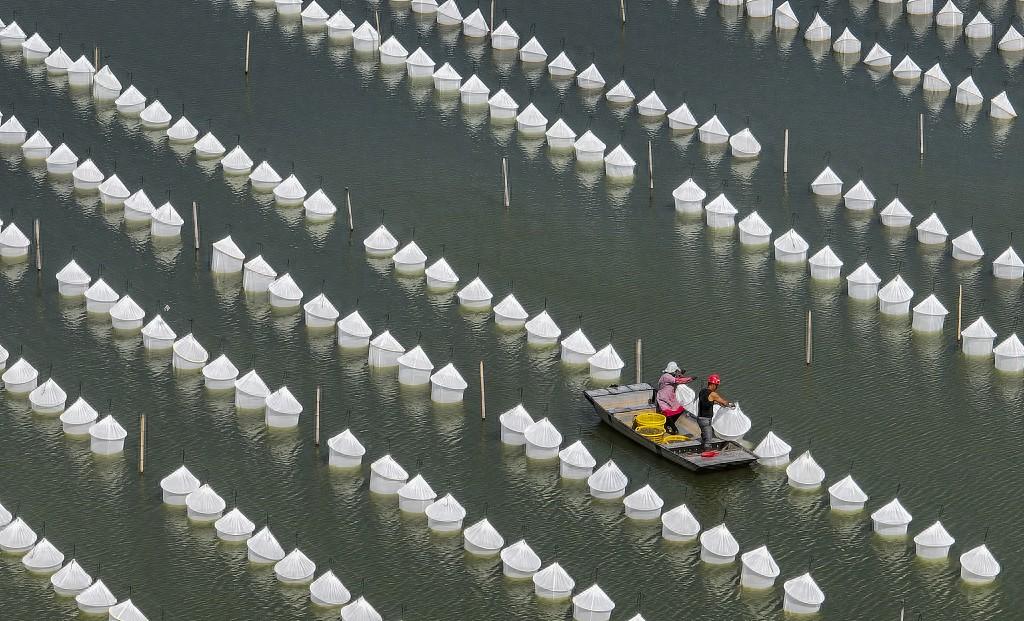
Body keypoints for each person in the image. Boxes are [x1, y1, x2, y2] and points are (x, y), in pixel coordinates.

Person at [694, 374, 734, 450]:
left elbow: (707, 402)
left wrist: (717, 403)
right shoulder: (713, 394)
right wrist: (730, 405)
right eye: (717, 385)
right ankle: (706, 455)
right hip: (706, 420)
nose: (717, 387)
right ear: (713, 384)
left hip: (700, 419)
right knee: (708, 440)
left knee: (705, 435)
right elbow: (724, 402)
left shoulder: (702, 391)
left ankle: (702, 447)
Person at [655, 362, 694, 435]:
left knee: (680, 409)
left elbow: (678, 378)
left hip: (671, 398)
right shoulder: (666, 376)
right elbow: (678, 380)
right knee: (667, 413)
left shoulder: (671, 376)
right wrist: (690, 378)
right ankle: (674, 429)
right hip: (664, 398)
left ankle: (668, 424)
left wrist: (681, 374)